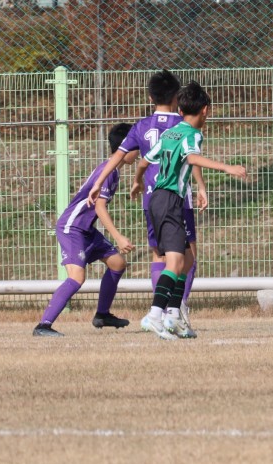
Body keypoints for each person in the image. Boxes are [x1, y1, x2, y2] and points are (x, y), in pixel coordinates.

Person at [87, 70, 207, 330]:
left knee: (158, 254)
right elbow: (188, 157)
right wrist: (200, 186)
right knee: (187, 256)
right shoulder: (182, 123)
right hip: (176, 196)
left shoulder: (141, 126)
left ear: (151, 96)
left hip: (151, 200)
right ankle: (174, 309)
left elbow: (118, 156)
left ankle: (163, 310)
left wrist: (98, 182)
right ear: (177, 97)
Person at [137, 81, 247, 340]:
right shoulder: (193, 134)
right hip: (170, 200)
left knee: (186, 259)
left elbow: (144, 160)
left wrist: (137, 181)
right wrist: (227, 168)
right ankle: (154, 316)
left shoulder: (170, 133)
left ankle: (173, 315)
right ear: (205, 110)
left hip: (157, 199)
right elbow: (191, 157)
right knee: (175, 262)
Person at [33, 123, 136, 337]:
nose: (139, 150)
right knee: (77, 277)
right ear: (126, 147)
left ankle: (102, 314)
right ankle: (43, 325)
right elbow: (99, 206)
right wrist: (118, 237)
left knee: (117, 263)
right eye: (136, 146)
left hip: (86, 229)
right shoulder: (108, 172)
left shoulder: (112, 170)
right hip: (73, 227)